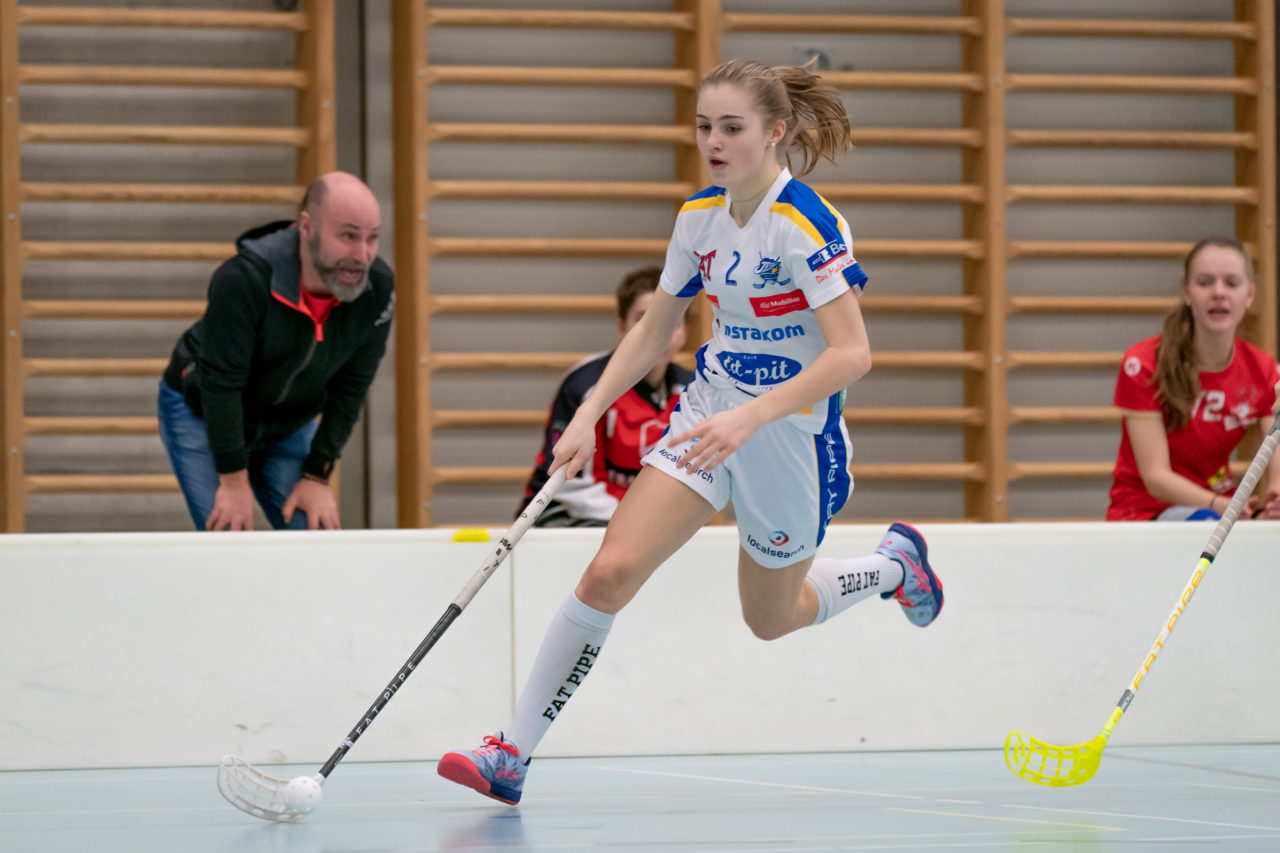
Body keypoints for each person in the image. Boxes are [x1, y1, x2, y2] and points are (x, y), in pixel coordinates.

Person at [437, 58, 945, 806]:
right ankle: (513, 750)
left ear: (775, 132)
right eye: (705, 125)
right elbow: (654, 331)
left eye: (731, 127)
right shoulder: (696, 218)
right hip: (709, 414)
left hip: (788, 438)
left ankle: (896, 567)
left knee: (772, 619)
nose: (713, 140)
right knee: (609, 572)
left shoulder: (806, 223)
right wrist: (588, 413)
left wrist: (755, 414)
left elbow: (853, 354)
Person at [158, 171, 394, 531]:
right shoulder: (243, 281)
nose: (362, 255)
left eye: (372, 238)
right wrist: (233, 481)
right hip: (203, 410)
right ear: (307, 227)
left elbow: (351, 388)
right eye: (348, 236)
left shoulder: (375, 289)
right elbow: (223, 386)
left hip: (287, 422)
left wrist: (317, 475)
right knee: (230, 539)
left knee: (314, 541)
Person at [1107, 237, 1280, 521]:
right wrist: (1223, 506)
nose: (1218, 293)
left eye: (1232, 284)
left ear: (1249, 295)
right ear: (1186, 292)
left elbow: (1275, 476)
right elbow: (1155, 477)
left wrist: (1272, 506)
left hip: (1220, 509)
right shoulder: (1142, 364)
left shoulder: (1264, 370)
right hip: (1145, 512)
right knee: (1207, 523)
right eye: (1205, 282)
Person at [519, 266, 692, 527]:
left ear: (685, 332)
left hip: (646, 523)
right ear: (622, 327)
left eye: (673, 321)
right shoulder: (586, 384)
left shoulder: (693, 390)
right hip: (570, 515)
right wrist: (639, 521)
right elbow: (571, 484)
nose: (661, 331)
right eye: (644, 319)